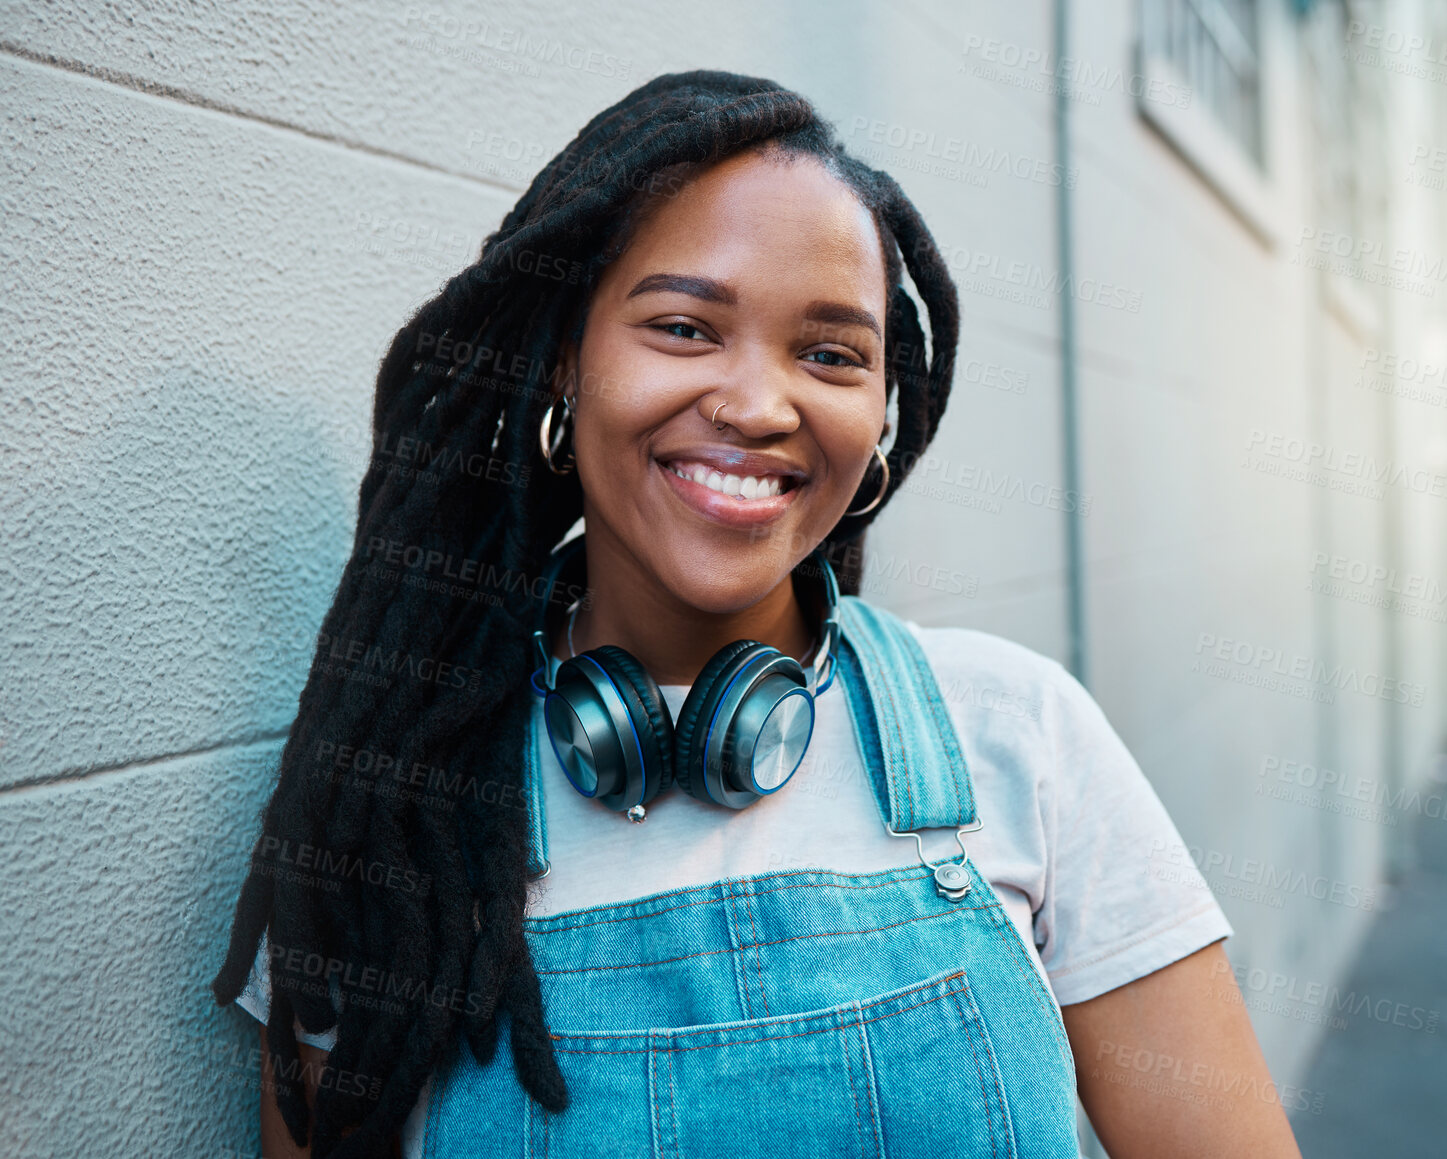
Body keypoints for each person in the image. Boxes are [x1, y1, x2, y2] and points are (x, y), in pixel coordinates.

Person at [212, 70, 1302, 1159]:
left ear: (883, 412)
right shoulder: (398, 808)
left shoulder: (1017, 733)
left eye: (831, 353)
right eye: (685, 327)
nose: (759, 405)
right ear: (562, 363)